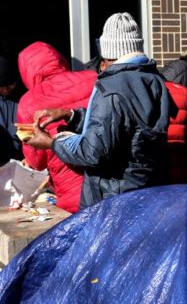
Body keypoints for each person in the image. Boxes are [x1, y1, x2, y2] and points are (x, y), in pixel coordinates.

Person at [26, 12, 172, 209]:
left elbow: (92, 152)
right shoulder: (153, 80)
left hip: (113, 199)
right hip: (146, 191)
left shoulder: (111, 87)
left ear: (108, 50)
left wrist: (52, 143)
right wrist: (72, 115)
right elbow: (127, 126)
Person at [16, 42, 97, 213]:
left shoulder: (28, 103)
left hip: (71, 192)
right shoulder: (94, 78)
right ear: (59, 59)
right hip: (109, 182)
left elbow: (37, 162)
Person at [0, 56, 21, 164]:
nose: (5, 90)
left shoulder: (24, 100)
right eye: (1, 86)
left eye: (10, 85)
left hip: (23, 164)